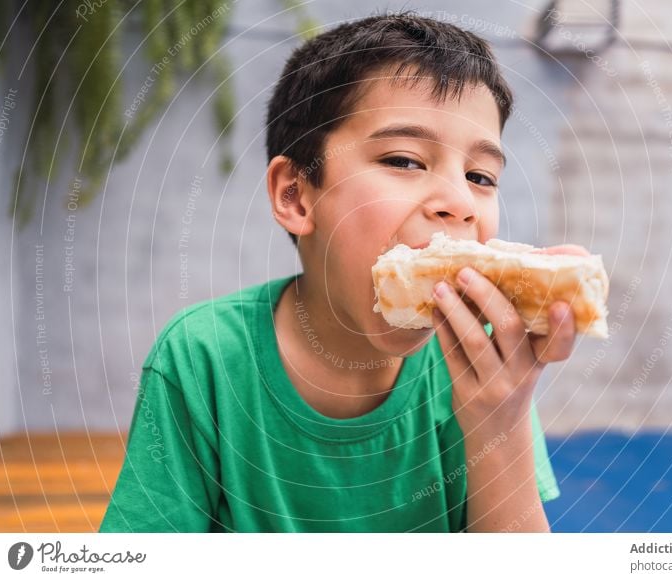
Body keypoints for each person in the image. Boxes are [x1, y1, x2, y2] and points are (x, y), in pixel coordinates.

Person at [100, 11, 588, 533]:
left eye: (480, 176)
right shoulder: (203, 359)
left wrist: (500, 422)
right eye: (403, 160)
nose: (459, 201)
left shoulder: (481, 363)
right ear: (296, 195)